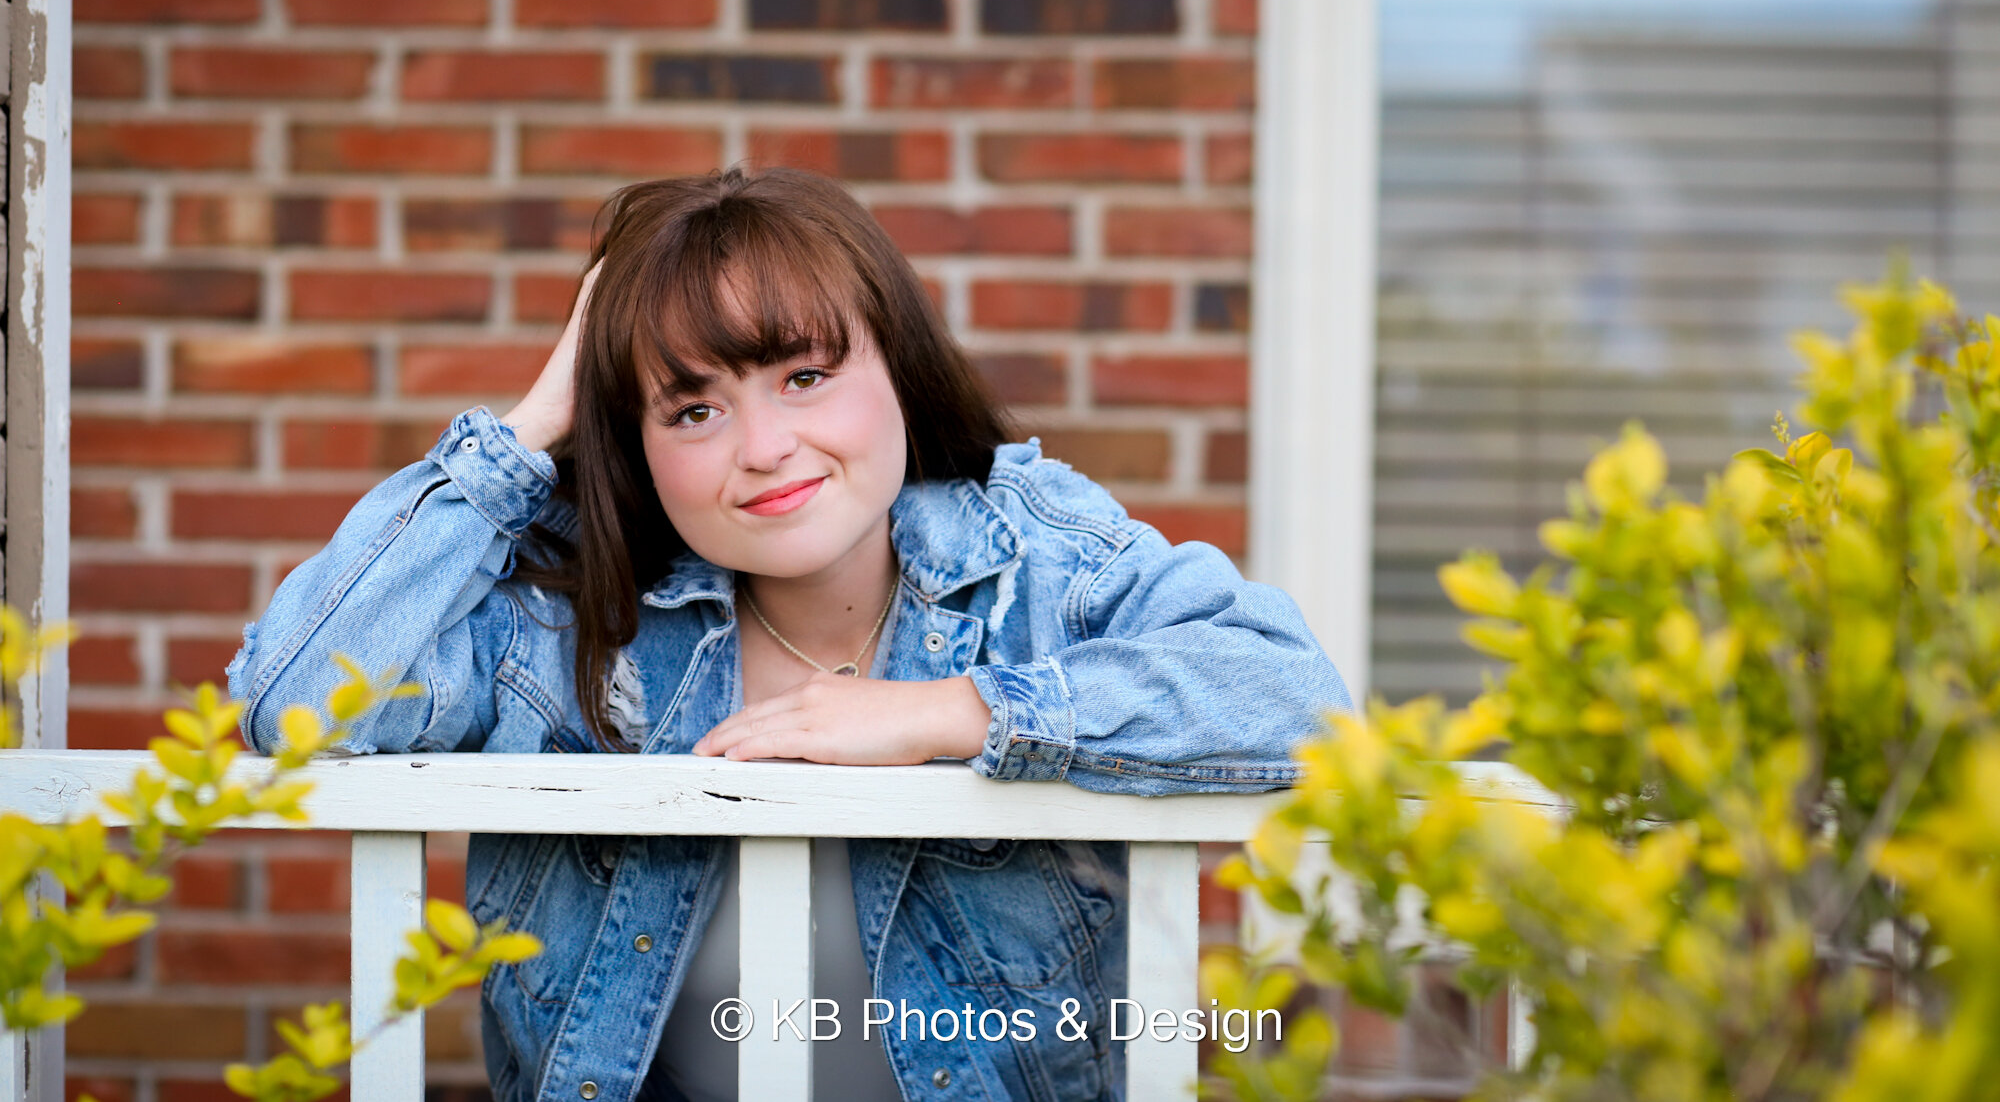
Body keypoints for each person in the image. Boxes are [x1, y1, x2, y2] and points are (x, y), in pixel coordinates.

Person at [227, 166, 1352, 1102]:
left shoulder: (1033, 564)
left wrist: (950, 714)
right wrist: (533, 423)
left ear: (897, 365)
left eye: (806, 375)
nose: (763, 447)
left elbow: (1297, 699)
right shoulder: (569, 632)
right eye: (694, 408)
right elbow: (295, 702)